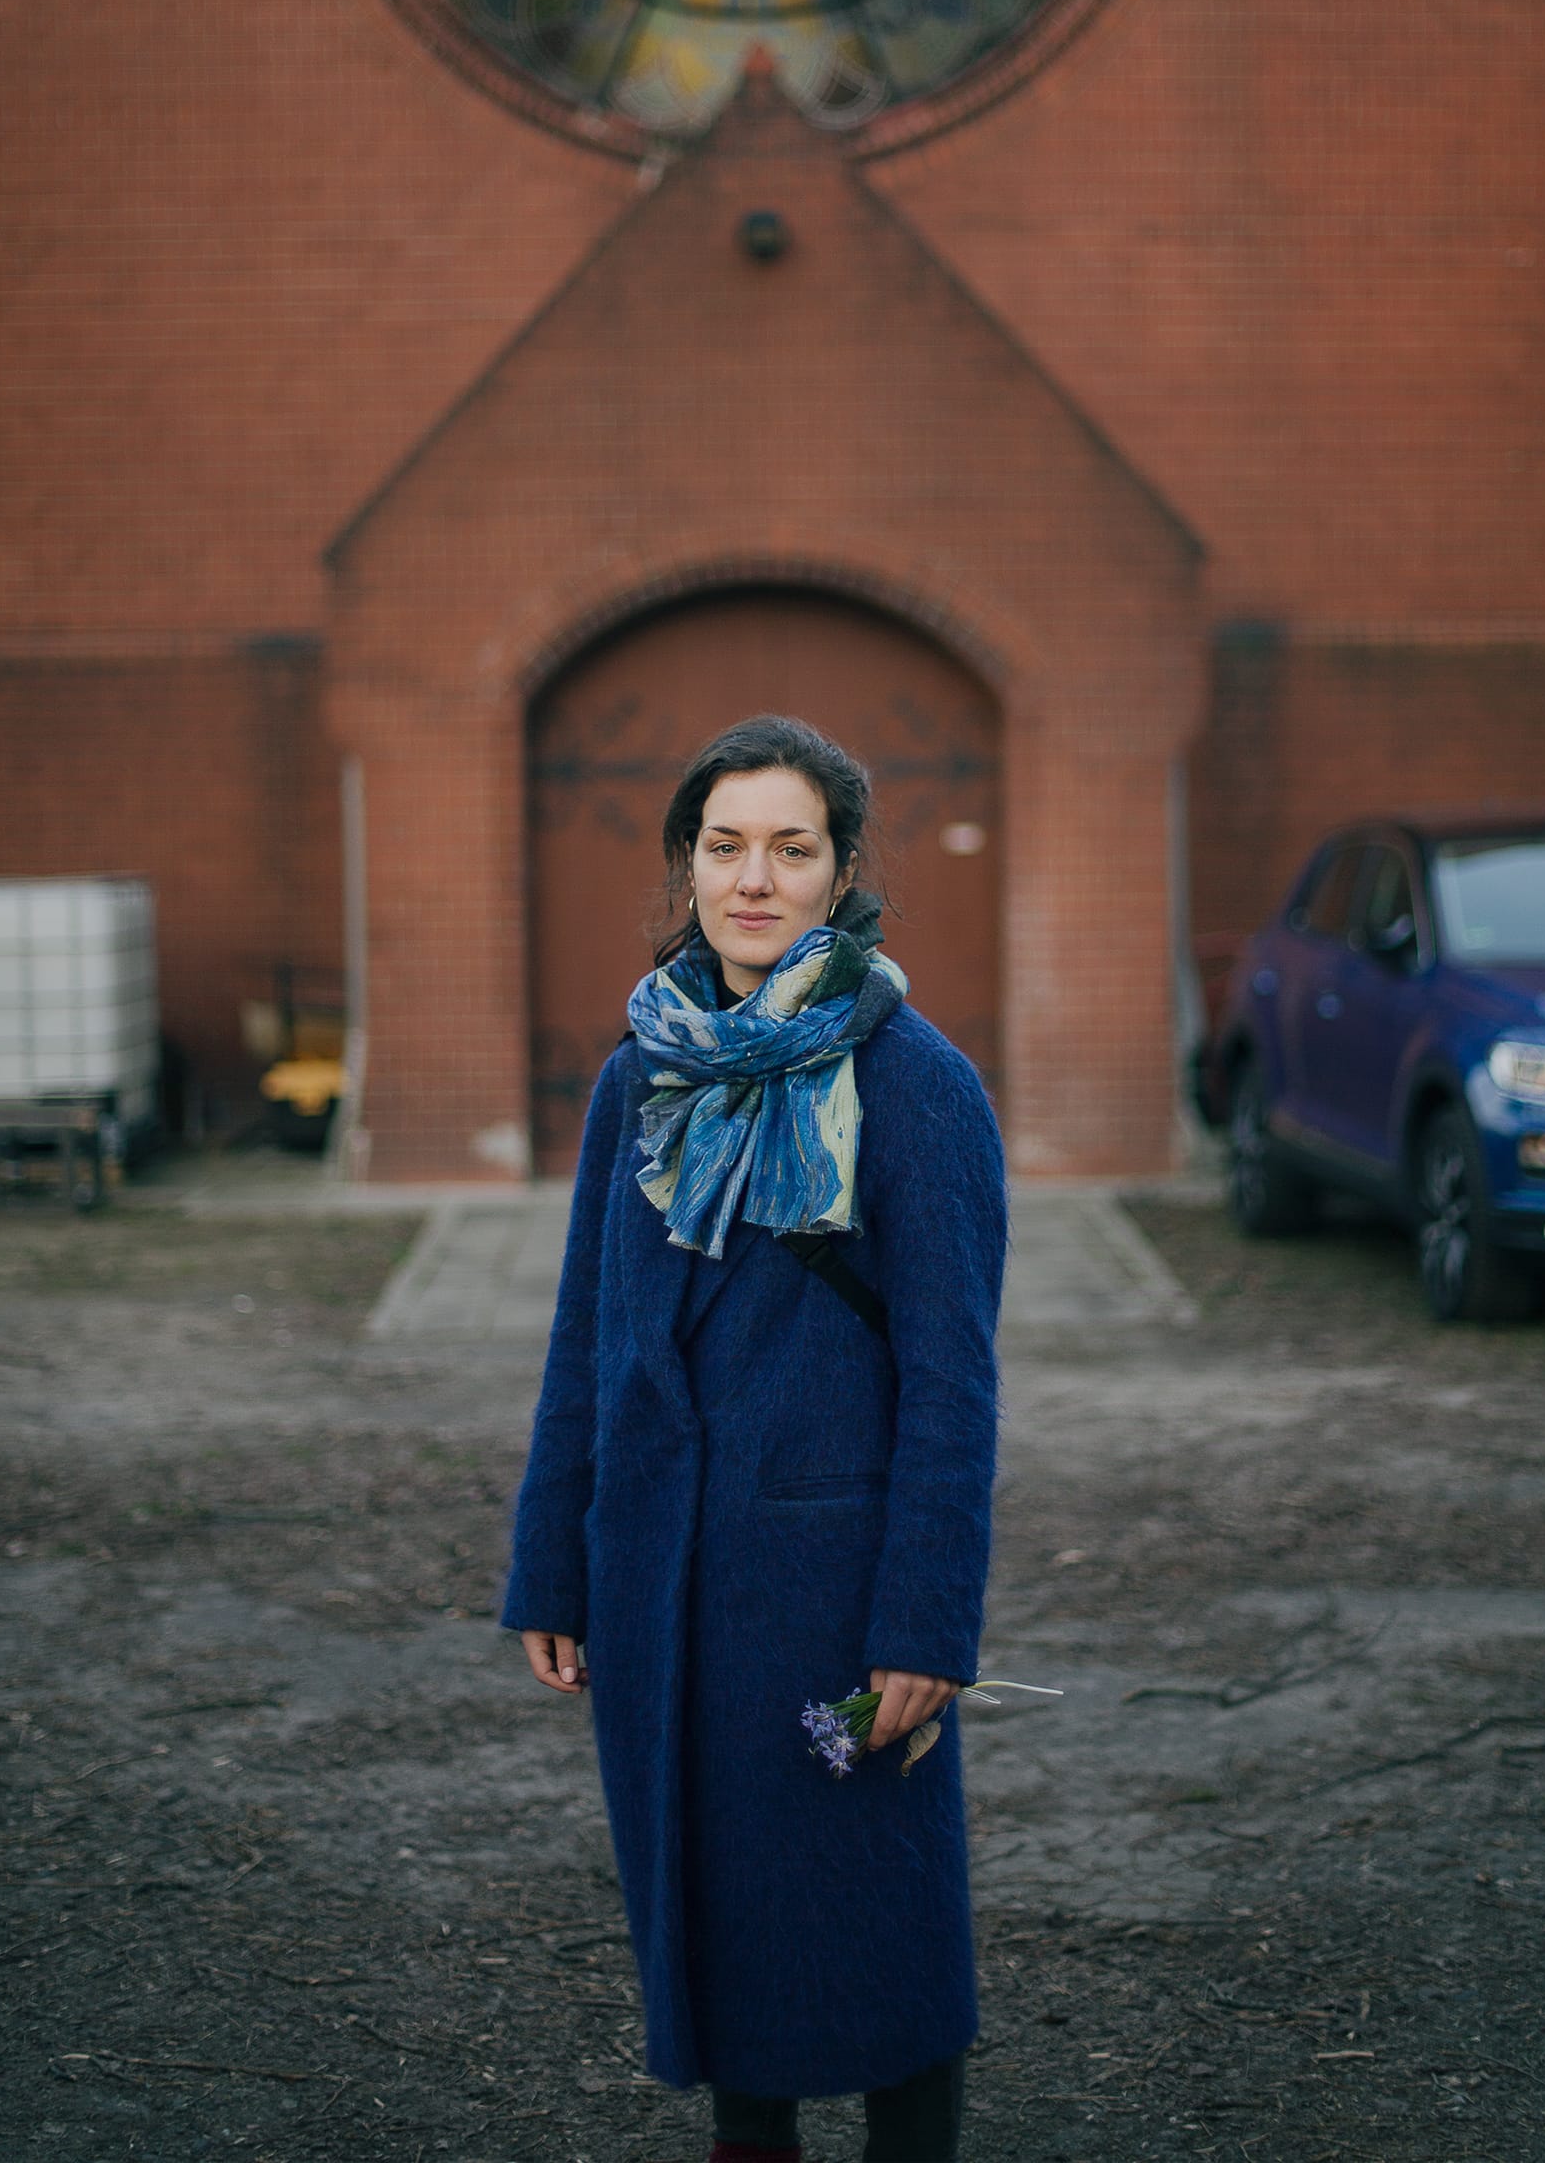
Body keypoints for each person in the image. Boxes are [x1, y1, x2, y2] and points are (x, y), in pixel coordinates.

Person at [502, 714, 1006, 2163]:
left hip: (829, 1596)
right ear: (688, 867)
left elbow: (953, 1386)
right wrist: (552, 1562)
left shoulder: (916, 1085)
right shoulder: (639, 1074)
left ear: (842, 874)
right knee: (719, 1930)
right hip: (658, 1582)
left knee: (885, 1935)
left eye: (792, 849)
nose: (754, 879)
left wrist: (927, 1620)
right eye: (725, 847)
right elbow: (590, 1337)